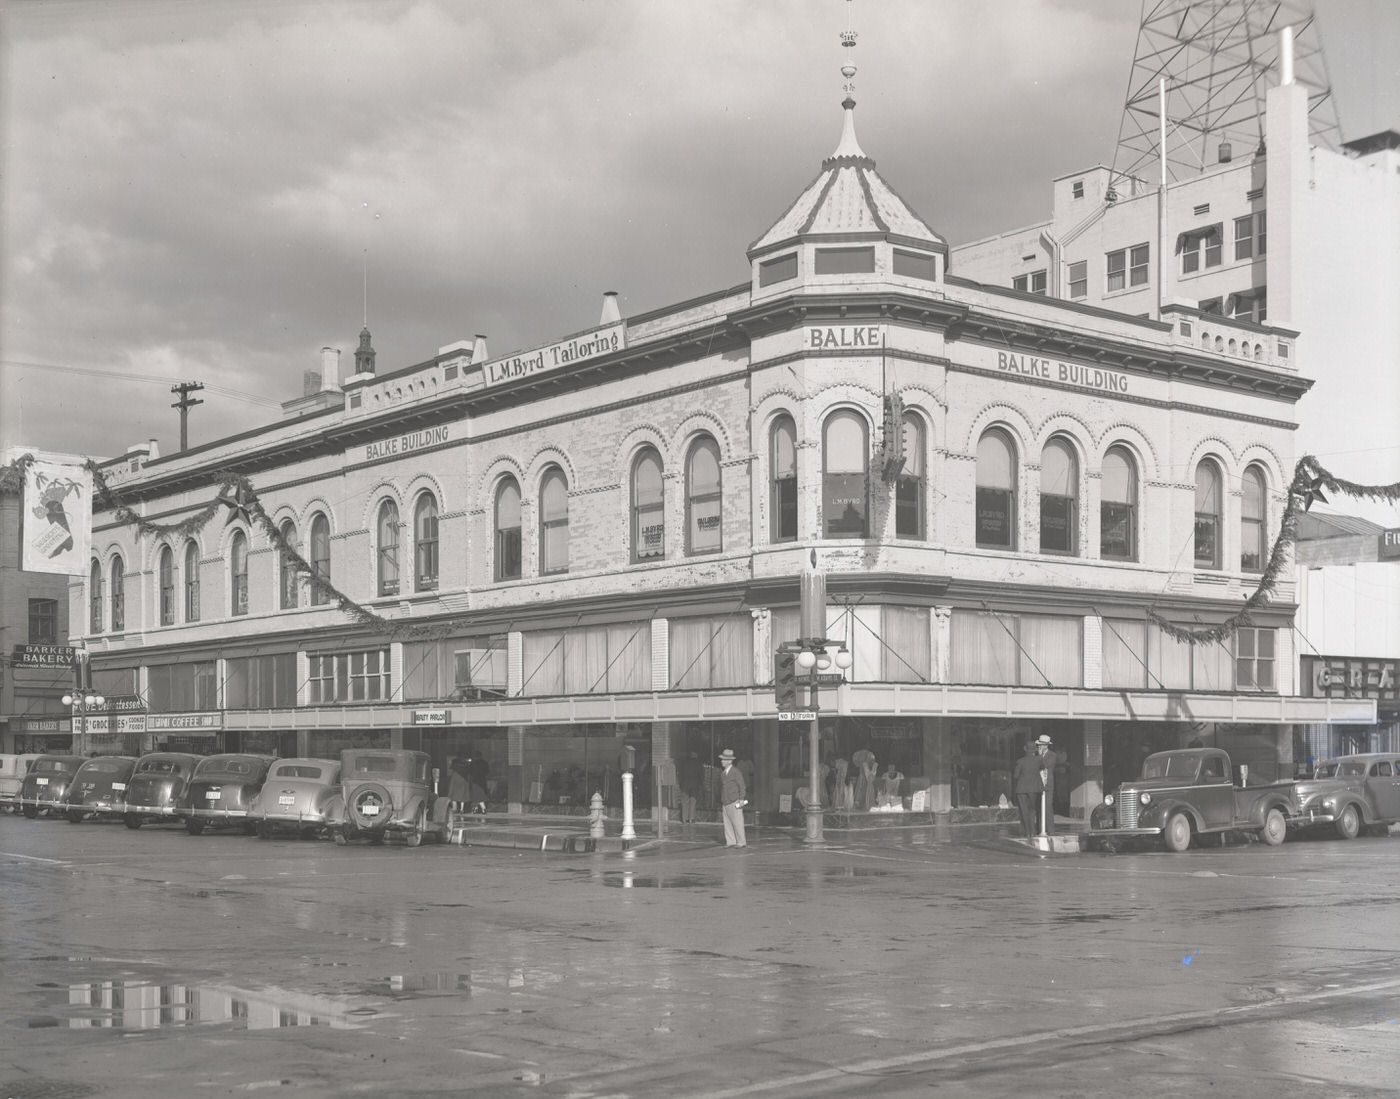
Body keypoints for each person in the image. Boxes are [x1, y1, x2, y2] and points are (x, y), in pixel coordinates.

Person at [1012, 740, 1043, 839]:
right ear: (1035, 749)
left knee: (1023, 810)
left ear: (1025, 749)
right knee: (1032, 810)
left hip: (1021, 789)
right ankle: (1032, 831)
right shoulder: (1039, 759)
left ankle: (1026, 832)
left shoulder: (1020, 761)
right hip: (1034, 788)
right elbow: (1043, 767)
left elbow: (1016, 776)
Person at [718, 748, 747, 848]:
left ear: (730, 761)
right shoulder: (723, 773)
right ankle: (730, 841)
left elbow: (741, 786)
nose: (722, 761)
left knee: (737, 822)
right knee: (728, 823)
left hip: (734, 800)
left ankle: (741, 841)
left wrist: (741, 799)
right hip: (725, 801)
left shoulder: (736, 772)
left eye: (724, 759)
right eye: (722, 759)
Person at [1035, 734, 1056, 835]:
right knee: (1039, 806)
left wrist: (1039, 756)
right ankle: (1040, 829)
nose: (1039, 746)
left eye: (1041, 745)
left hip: (1048, 784)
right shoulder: (1037, 755)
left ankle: (1050, 830)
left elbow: (1044, 765)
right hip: (1038, 783)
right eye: (1038, 745)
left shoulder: (1052, 755)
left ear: (1046, 745)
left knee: (1047, 806)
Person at [678, 750, 704, 824]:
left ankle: (684, 819)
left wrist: (681, 784)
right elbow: (701, 775)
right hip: (695, 785)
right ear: (696, 756)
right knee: (693, 801)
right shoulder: (699, 763)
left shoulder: (684, 763)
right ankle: (691, 819)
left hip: (685, 785)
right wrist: (701, 784)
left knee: (684, 802)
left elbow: (680, 775)